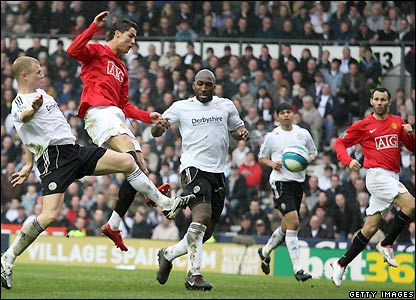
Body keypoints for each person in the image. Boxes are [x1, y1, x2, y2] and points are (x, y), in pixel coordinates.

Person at [0, 56, 193, 290]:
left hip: (73, 151)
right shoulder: (21, 102)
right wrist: (33, 110)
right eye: (38, 71)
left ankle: (165, 203)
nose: (42, 74)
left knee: (127, 162)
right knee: (50, 215)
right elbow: (25, 120)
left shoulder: (45, 95)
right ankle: (7, 258)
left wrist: (28, 163)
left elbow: (28, 135)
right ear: (25, 75)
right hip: (54, 160)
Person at [66, 11, 191, 252]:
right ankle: (164, 203)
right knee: (131, 160)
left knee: (139, 167)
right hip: (98, 113)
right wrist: (93, 27)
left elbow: (124, 105)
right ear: (117, 34)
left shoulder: (122, 70)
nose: (133, 42)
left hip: (117, 115)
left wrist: (147, 116)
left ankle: (113, 225)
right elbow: (72, 51)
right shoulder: (96, 52)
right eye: (131, 36)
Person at [151, 69, 250, 291]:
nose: (204, 88)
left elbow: (237, 129)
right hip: (193, 168)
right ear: (193, 85)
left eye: (209, 85)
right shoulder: (181, 106)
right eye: (200, 84)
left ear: (214, 86)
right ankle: (193, 276)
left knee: (207, 231)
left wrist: (242, 133)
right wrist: (159, 127)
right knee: (202, 216)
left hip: (218, 172)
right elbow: (156, 131)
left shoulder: (225, 105)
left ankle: (168, 254)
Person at [331, 87, 415, 287]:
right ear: (371, 101)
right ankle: (386, 244)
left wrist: (411, 134)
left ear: (389, 101)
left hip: (392, 176)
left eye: (383, 99)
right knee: (411, 205)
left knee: (369, 228)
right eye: (376, 99)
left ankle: (341, 264)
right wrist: (348, 160)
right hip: (377, 176)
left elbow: (412, 148)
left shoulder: (397, 122)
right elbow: (339, 144)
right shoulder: (363, 125)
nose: (379, 102)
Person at [256, 102, 318, 282]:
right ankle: (298, 268)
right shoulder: (272, 136)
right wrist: (272, 164)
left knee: (287, 225)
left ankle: (265, 251)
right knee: (294, 222)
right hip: (280, 182)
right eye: (282, 112)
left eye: (289, 112)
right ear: (277, 116)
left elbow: (313, 152)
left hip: (298, 182)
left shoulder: (303, 134)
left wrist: (307, 159)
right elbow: (261, 157)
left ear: (293, 114)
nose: (286, 115)